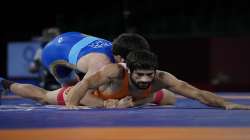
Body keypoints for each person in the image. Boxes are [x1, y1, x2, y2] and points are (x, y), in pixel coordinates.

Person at [65, 50, 250, 110]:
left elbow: (197, 94)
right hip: (101, 97)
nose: (145, 79)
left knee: (171, 97)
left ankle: (147, 99)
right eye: (139, 75)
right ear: (128, 70)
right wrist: (72, 105)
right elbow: (86, 84)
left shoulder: (162, 77)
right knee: (47, 96)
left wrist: (225, 104)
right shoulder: (114, 72)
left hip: (132, 98)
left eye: (149, 74)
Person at [41, 32, 151, 87]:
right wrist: (106, 104)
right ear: (122, 58)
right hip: (52, 53)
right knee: (70, 89)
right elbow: (81, 93)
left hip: (71, 36)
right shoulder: (101, 63)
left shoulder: (121, 48)